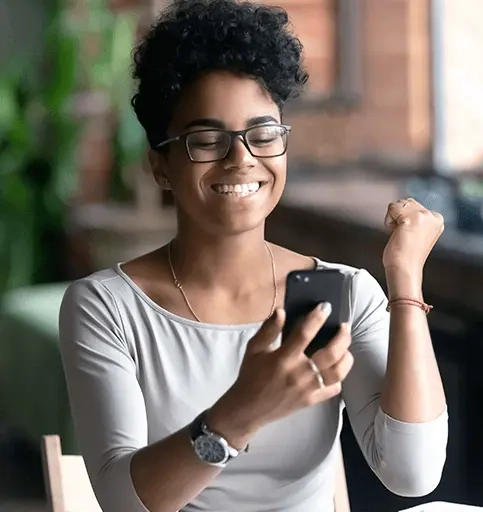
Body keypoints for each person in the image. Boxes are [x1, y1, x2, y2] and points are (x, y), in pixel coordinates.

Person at [59, 1, 449, 511]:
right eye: (206, 139)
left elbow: (413, 475)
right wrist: (244, 408)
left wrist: (405, 284)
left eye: (263, 135)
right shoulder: (107, 308)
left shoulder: (341, 293)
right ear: (160, 165)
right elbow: (122, 503)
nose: (241, 157)